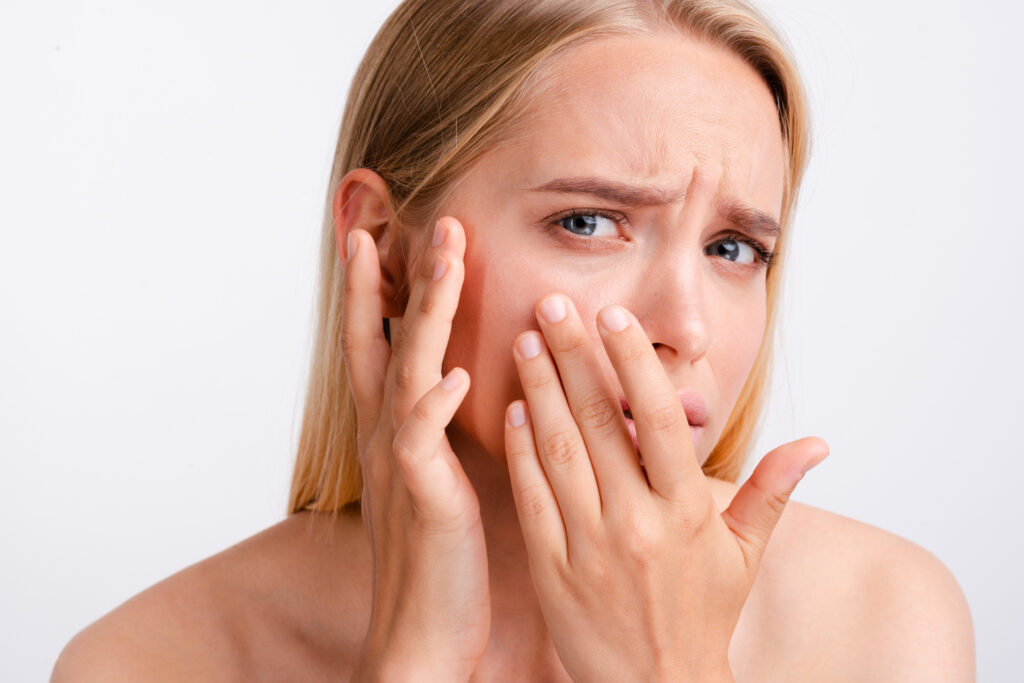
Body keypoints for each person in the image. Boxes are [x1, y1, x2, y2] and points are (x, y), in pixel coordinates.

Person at [52, 0, 975, 679]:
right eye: (588, 222)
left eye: (734, 248)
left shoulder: (884, 622)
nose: (686, 328)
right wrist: (408, 663)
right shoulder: (146, 661)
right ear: (387, 250)